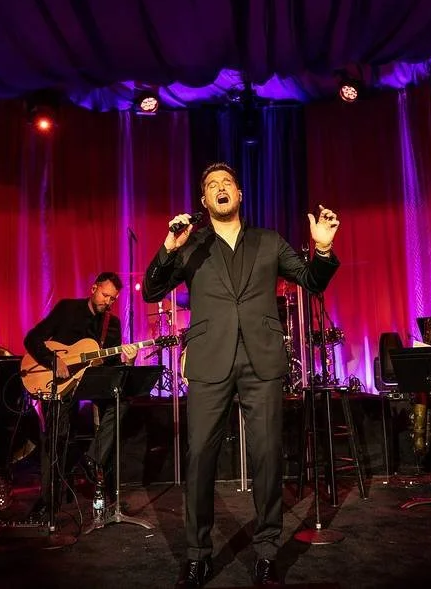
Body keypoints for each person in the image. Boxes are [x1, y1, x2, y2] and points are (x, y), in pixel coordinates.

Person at [143, 162, 340, 588]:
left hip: (261, 360)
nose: (220, 187)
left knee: (268, 456)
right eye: (211, 184)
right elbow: (152, 290)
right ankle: (197, 555)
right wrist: (169, 246)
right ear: (204, 200)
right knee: (200, 458)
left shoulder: (268, 241)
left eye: (227, 182)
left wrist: (322, 250)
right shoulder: (191, 244)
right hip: (209, 360)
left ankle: (266, 552)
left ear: (239, 193)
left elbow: (311, 281)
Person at [23, 272, 138, 517]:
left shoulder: (112, 324)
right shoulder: (67, 309)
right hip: (61, 383)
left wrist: (128, 361)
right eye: (105, 295)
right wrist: (53, 360)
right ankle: (48, 501)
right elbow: (32, 338)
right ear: (93, 288)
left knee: (121, 402)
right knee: (56, 434)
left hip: (92, 383)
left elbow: (112, 365)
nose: (108, 302)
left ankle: (92, 459)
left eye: (113, 299)